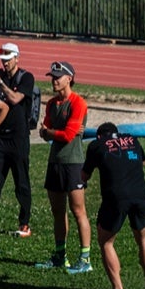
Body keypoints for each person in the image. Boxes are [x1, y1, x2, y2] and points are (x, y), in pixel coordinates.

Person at [83, 122, 145, 289]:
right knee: (143, 239)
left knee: (106, 241)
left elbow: (84, 175)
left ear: (100, 136)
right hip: (140, 194)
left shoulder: (96, 145)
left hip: (116, 197)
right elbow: (143, 161)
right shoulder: (132, 139)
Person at [37, 61, 93, 274]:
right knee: (57, 211)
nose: (54, 80)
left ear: (69, 78)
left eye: (58, 77)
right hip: (55, 162)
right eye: (52, 76)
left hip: (73, 163)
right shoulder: (52, 104)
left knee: (78, 210)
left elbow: (67, 135)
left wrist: (51, 132)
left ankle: (85, 258)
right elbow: (46, 130)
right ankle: (60, 256)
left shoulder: (78, 103)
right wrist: (52, 132)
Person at [0, 42, 36, 240]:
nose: (5, 64)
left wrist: (1, 83)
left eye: (8, 60)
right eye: (2, 61)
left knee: (21, 181)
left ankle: (24, 222)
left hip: (18, 138)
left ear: (17, 58)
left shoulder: (26, 77)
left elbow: (14, 99)